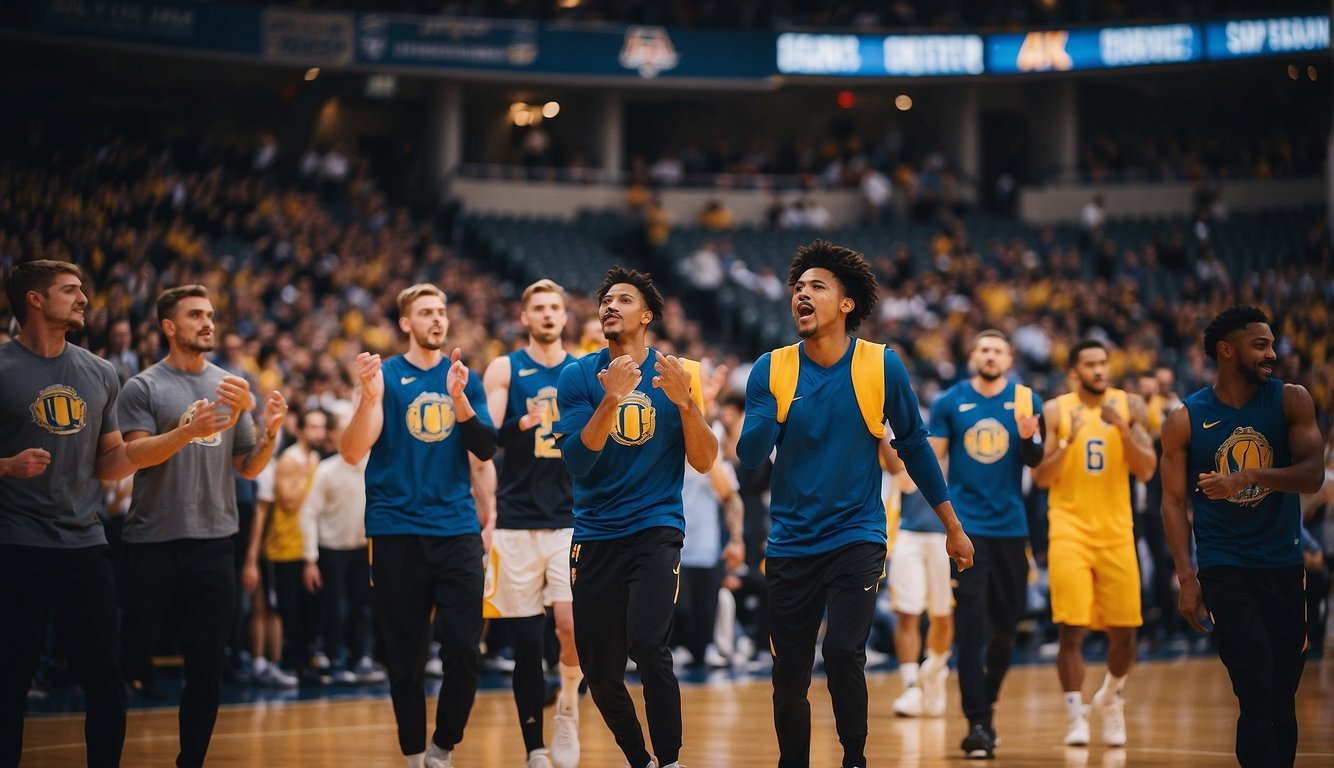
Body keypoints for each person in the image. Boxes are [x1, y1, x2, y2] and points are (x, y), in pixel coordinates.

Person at [737, 240, 973, 768]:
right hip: (791, 542)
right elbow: (750, 456)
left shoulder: (881, 366)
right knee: (789, 673)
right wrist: (767, 415)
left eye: (817, 286)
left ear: (847, 304)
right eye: (798, 287)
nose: (802, 293)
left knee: (844, 652)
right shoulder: (770, 370)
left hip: (857, 536)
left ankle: (855, 759)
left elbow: (914, 447)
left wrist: (952, 526)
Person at [116, 284, 286, 768]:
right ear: (169, 326)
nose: (208, 322)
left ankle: (191, 761)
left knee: (207, 667)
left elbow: (248, 467)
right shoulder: (143, 387)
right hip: (151, 539)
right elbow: (134, 456)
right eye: (195, 315)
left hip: (214, 543)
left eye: (210, 314)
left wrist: (270, 429)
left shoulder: (231, 385)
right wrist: (189, 430)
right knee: (129, 660)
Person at [553, 266, 717, 768]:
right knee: (600, 672)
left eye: (623, 299)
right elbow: (580, 461)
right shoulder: (578, 375)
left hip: (655, 528)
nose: (609, 305)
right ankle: (639, 760)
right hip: (596, 533)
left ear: (646, 315)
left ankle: (670, 760)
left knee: (648, 643)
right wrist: (612, 396)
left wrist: (687, 403)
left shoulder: (680, 372)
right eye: (605, 299)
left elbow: (706, 460)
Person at [339, 283, 497, 768]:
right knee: (404, 657)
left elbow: (485, 450)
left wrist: (460, 399)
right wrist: (368, 398)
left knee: (465, 651)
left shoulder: (464, 378)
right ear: (405, 323)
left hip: (455, 530)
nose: (437, 319)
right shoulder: (383, 376)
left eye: (442, 311)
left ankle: (442, 746)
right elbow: (351, 451)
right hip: (395, 531)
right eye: (426, 312)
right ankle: (413, 754)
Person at [1160, 306, 1323, 768]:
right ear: (1227, 351)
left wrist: (1247, 476)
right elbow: (1171, 502)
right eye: (1261, 345)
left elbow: (1312, 475)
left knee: (1282, 693)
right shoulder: (1185, 418)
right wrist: (1187, 578)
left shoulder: (1292, 399)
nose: (1272, 353)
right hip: (1224, 565)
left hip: (1283, 563)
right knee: (1253, 683)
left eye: (1272, 344)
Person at [1, 260, 134, 768]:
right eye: (70, 290)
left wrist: (176, 440)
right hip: (15, 544)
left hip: (85, 544)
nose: (84, 298)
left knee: (107, 681)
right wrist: (6, 466)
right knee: (10, 681)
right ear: (35, 300)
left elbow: (110, 462)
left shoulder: (101, 371)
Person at [476, 279, 583, 768]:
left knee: (569, 627)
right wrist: (520, 423)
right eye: (538, 308)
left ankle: (567, 714)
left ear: (564, 317)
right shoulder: (506, 367)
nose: (546, 315)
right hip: (517, 522)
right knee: (524, 644)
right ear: (525, 318)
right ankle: (534, 748)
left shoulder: (581, 370)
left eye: (554, 307)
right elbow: (484, 442)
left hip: (568, 518)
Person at [1033, 339, 1156, 749]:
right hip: (1068, 531)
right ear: (1075, 371)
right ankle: (1075, 718)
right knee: (1072, 629)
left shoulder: (1130, 405)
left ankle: (1110, 696)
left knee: (1126, 632)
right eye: (1090, 364)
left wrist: (1120, 427)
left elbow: (1147, 470)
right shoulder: (1055, 410)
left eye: (1103, 363)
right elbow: (1041, 478)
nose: (1100, 370)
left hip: (1117, 532)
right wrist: (1069, 441)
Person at [927, 330, 1043, 758]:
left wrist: (1031, 437)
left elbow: (1035, 461)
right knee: (971, 630)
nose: (990, 356)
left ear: (1009, 357)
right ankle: (976, 722)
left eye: (998, 350)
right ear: (972, 356)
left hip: (1012, 530)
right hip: (967, 533)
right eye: (983, 349)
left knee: (1006, 627)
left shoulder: (1028, 400)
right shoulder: (949, 401)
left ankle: (987, 704)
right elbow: (929, 461)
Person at [300, 403, 383, 685]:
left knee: (363, 607)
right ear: (335, 435)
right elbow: (309, 513)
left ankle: (361, 658)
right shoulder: (326, 470)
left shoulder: (374, 464)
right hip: (331, 551)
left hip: (363, 549)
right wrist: (310, 559)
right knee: (335, 608)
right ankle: (336, 659)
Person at [884, 442, 955, 723]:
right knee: (907, 613)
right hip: (907, 533)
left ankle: (936, 671)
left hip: (946, 535)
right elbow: (892, 466)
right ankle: (911, 685)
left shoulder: (950, 424)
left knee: (943, 616)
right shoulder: (898, 428)